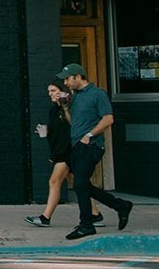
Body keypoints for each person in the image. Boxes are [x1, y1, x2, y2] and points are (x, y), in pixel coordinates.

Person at [57, 63, 134, 239]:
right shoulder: (75, 97)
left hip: (91, 145)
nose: (66, 82)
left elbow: (108, 119)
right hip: (77, 144)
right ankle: (121, 206)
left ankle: (86, 225)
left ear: (77, 77)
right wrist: (66, 107)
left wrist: (89, 135)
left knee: (79, 184)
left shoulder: (97, 94)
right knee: (84, 185)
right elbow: (73, 122)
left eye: (68, 79)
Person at [24, 78, 103, 228]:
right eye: (49, 91)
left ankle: (45, 217)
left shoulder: (70, 108)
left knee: (54, 182)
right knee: (79, 183)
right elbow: (58, 132)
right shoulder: (53, 109)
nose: (50, 94)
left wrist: (55, 155)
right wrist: (47, 132)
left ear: (63, 92)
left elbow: (72, 129)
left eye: (53, 91)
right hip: (61, 151)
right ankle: (95, 214)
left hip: (68, 151)